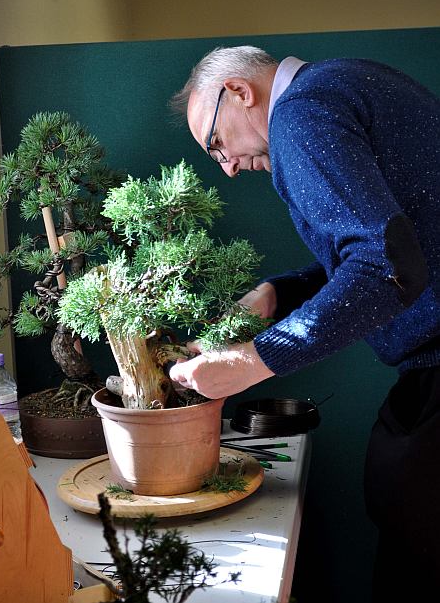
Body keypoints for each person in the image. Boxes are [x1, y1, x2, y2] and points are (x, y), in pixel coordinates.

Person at [168, 46, 440, 601]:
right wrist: (280, 292)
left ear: (239, 91)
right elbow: (395, 241)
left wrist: (254, 361)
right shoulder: (345, 78)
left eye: (216, 144)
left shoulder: (300, 114)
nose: (228, 166)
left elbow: (387, 265)